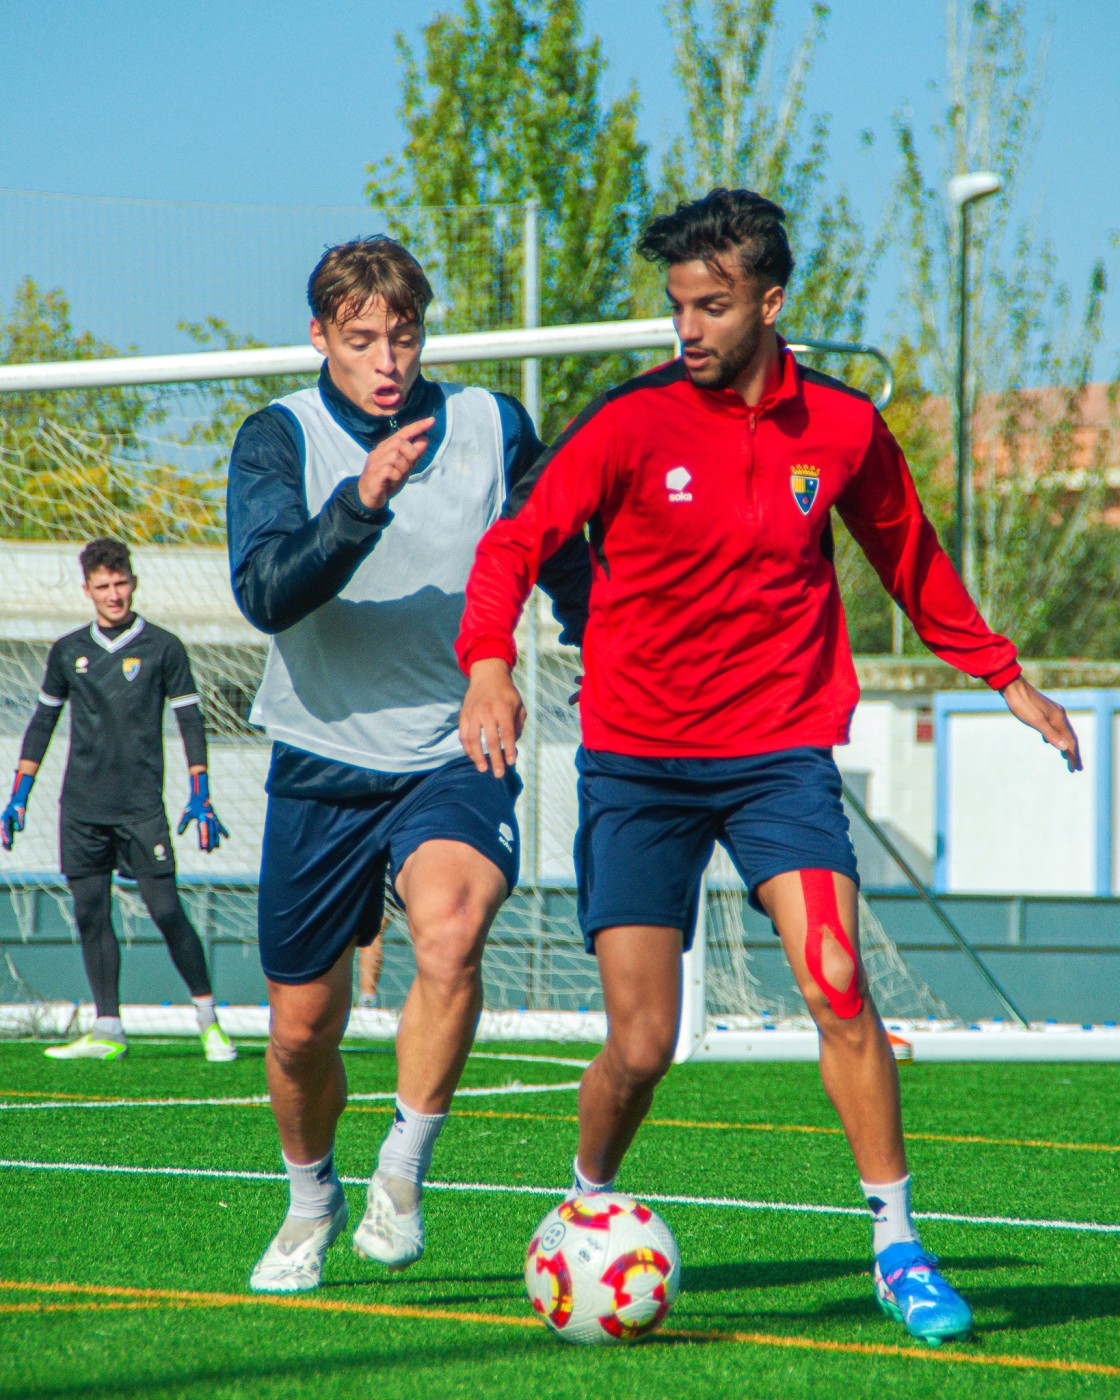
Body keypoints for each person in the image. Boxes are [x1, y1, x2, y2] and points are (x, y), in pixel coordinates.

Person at [455, 188, 1082, 1346]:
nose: (685, 327)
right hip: (636, 762)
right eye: (676, 305)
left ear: (770, 301)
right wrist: (488, 660)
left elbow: (910, 558)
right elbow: (514, 543)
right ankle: (590, 1187)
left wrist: (1006, 678)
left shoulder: (841, 426)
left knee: (837, 979)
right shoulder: (627, 422)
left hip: (778, 753)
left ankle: (897, 1243)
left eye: (711, 304)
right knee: (642, 1042)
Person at [227, 235, 589, 1293]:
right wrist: (360, 502)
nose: (387, 359)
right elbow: (265, 594)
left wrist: (606, 644)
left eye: (404, 335)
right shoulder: (278, 436)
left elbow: (561, 554)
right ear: (320, 339)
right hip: (320, 757)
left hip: (455, 743)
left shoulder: (488, 425)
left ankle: (402, 1166)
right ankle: (309, 1200)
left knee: (451, 927)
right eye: (360, 340)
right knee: (300, 1029)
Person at [1, 536, 237, 1064]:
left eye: (121, 583)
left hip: (141, 808)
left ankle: (209, 1021)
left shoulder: (163, 647)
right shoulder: (68, 651)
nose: (114, 594)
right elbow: (42, 723)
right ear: (87, 589)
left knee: (166, 910)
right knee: (90, 912)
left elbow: (190, 721)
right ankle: (109, 1027)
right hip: (81, 808)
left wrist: (201, 791)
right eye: (103, 586)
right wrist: (19, 796)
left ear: (133, 582)